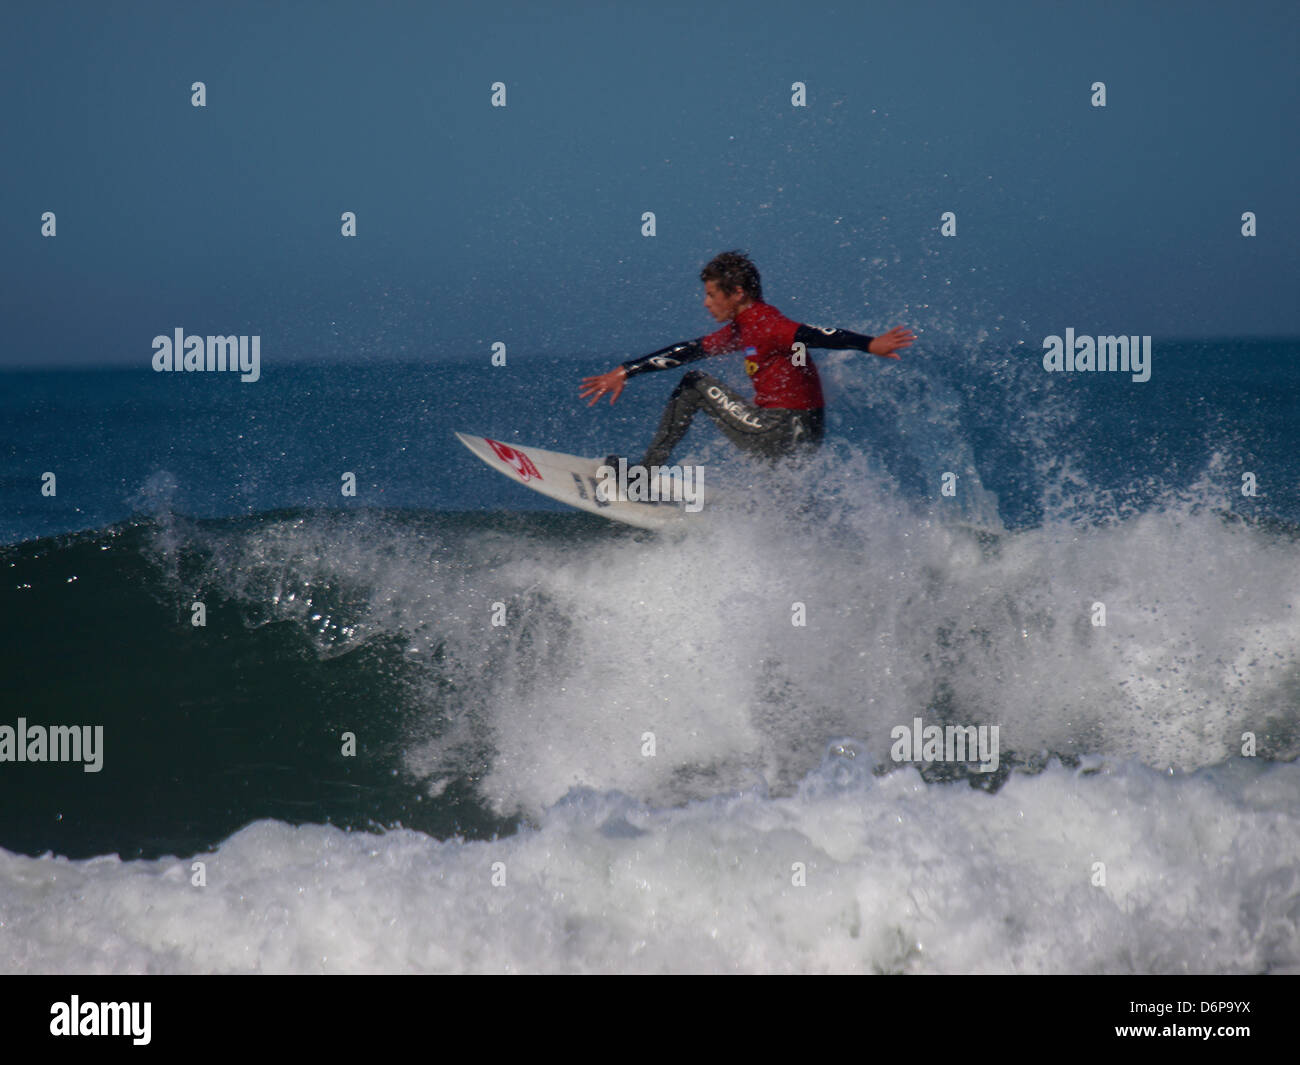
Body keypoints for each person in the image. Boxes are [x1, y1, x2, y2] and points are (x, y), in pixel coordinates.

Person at [579, 250, 914, 470]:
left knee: (694, 384)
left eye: (712, 294)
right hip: (805, 437)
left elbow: (815, 334)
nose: (706, 303)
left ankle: (641, 477)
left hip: (779, 431)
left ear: (737, 292)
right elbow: (687, 350)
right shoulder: (744, 328)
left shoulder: (766, 324)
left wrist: (870, 344)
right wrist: (626, 371)